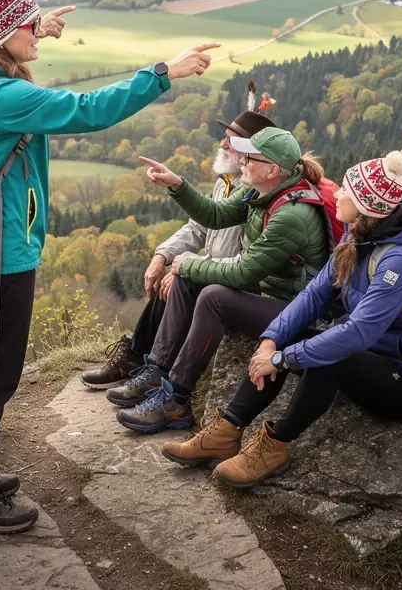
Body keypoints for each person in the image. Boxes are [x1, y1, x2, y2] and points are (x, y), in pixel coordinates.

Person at [0, 0, 218, 533]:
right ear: (3, 34)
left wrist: (28, 30)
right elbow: (88, 111)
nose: (37, 32)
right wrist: (163, 73)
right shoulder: (2, 96)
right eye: (29, 25)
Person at [162, 151, 402, 487]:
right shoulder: (358, 234)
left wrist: (283, 359)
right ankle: (226, 431)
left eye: (346, 192)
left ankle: (275, 445)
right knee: (299, 341)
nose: (337, 193)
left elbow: (359, 334)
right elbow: (314, 294)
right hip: (369, 358)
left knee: (330, 356)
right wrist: (271, 341)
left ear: (366, 205)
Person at [109, 128, 332, 434]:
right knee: (190, 280)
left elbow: (244, 273)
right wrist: (177, 184)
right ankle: (158, 369)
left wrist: (188, 265)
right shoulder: (260, 190)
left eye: (250, 157)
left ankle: (176, 402)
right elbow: (214, 215)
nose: (242, 161)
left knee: (213, 296)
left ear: (272, 169)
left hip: (296, 310)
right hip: (268, 294)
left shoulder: (292, 214)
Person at [79, 106, 274, 391]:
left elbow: (245, 259)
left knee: (181, 278)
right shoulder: (226, 184)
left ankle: (157, 369)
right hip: (220, 271)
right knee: (169, 275)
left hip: (241, 283)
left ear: (250, 151)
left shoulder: (256, 194)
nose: (221, 143)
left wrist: (191, 265)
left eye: (230, 139)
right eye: (224, 136)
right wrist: (164, 255)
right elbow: (198, 227)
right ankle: (138, 355)